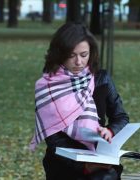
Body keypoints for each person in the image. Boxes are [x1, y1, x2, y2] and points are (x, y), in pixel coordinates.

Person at [29, 22, 129, 180]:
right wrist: (84, 166)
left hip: (100, 158)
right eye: (71, 55)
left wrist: (110, 131)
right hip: (63, 164)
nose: (78, 62)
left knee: (106, 176)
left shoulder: (101, 79)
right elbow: (54, 140)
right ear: (59, 53)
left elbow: (120, 117)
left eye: (84, 55)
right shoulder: (47, 87)